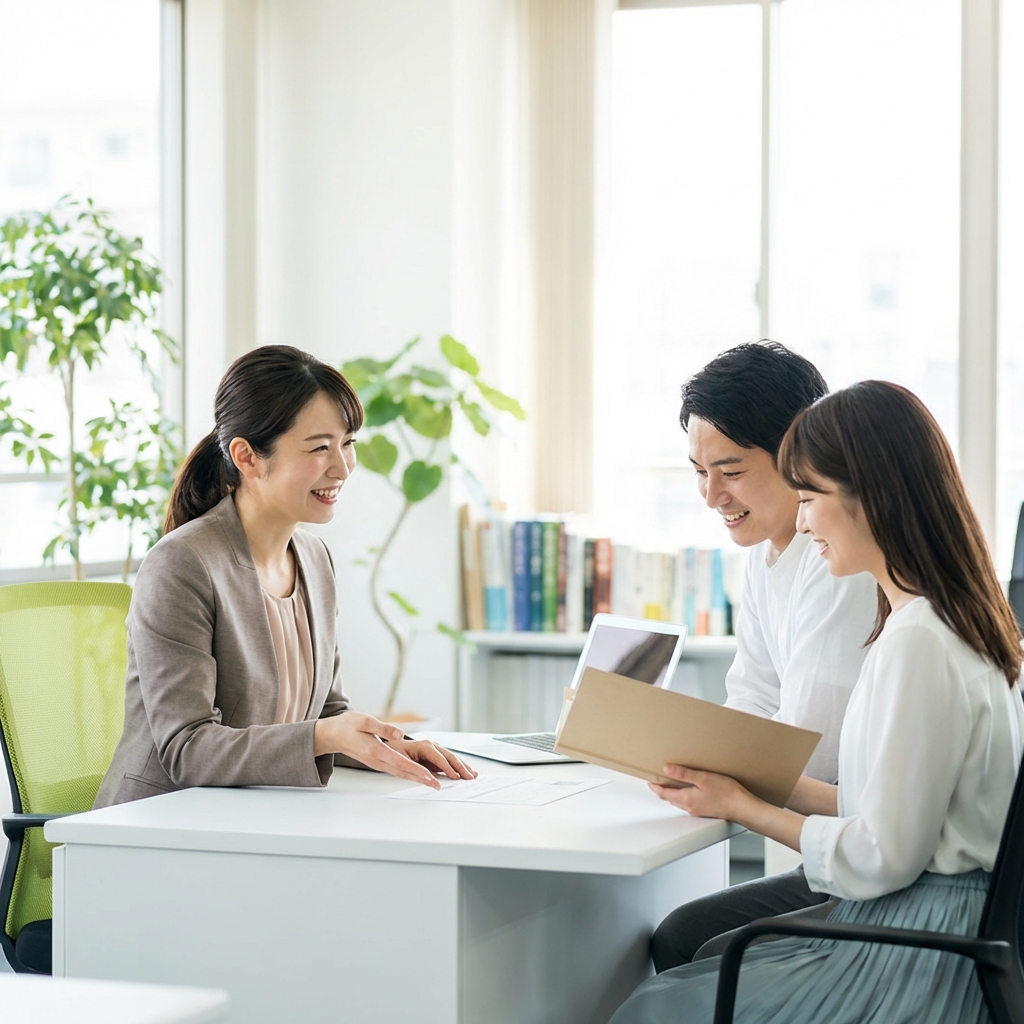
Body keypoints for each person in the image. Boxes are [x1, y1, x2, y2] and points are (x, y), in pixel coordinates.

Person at [611, 380, 1024, 1024]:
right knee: (689, 967)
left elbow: (879, 854)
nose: (802, 520)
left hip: (918, 941)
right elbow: (880, 809)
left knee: (653, 1010)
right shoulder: (938, 624)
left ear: (874, 499)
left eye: (809, 498)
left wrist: (744, 803)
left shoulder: (919, 644)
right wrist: (734, 787)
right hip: (929, 917)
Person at [94, 345, 475, 808]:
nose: (342, 467)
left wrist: (390, 746)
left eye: (347, 442)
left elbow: (327, 711)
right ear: (248, 457)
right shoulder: (182, 564)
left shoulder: (314, 559)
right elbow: (187, 748)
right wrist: (322, 734)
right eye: (319, 447)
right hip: (159, 826)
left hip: (259, 814)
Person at [651, 342, 878, 969]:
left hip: (857, 845)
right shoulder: (762, 557)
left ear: (800, 452)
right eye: (699, 473)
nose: (711, 496)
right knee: (680, 935)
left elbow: (808, 744)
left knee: (692, 944)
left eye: (730, 471)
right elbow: (751, 694)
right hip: (835, 841)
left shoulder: (844, 560)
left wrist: (716, 769)